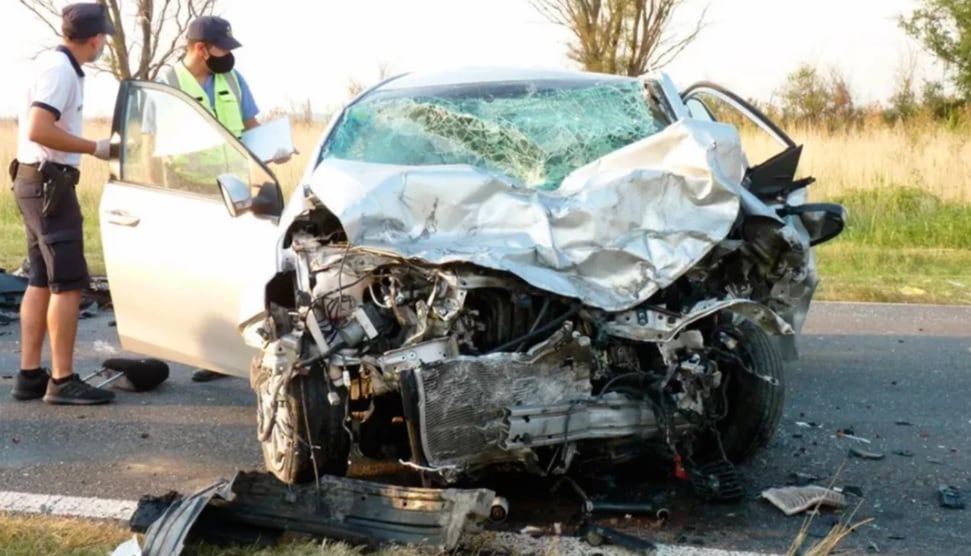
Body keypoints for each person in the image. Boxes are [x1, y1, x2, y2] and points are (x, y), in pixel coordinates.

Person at [154, 16, 288, 382]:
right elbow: (153, 143)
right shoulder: (168, 83)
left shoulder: (232, 78)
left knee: (235, 272)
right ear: (201, 48)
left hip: (233, 189)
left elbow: (250, 126)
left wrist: (273, 149)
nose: (229, 55)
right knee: (198, 274)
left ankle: (230, 355)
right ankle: (209, 355)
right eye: (223, 48)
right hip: (190, 190)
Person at [10, 3, 116, 405]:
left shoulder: (54, 65)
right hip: (49, 185)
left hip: (33, 181)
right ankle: (62, 379)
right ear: (95, 39)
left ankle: (30, 375)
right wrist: (95, 147)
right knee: (68, 284)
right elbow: (40, 128)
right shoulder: (60, 71)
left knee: (41, 279)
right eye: (104, 38)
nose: (104, 44)